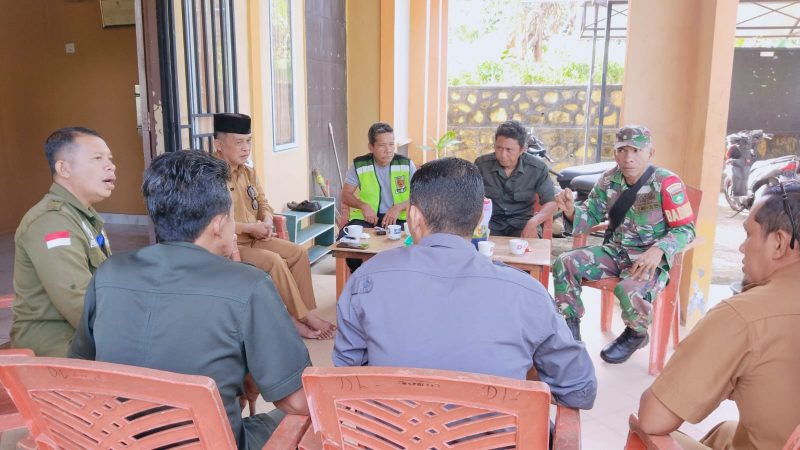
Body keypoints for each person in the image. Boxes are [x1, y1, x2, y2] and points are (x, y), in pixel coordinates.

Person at [69, 150, 311, 450]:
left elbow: (80, 364)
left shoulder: (109, 273)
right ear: (218, 224)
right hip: (212, 443)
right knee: (310, 417)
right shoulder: (248, 285)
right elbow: (297, 401)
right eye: (232, 217)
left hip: (120, 440)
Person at [334, 157, 596, 410]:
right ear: (481, 217)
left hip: (390, 432)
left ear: (413, 216)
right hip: (495, 435)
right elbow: (580, 391)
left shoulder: (366, 280)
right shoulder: (527, 293)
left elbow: (343, 380)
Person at [636, 181, 800, 449]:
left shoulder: (744, 315)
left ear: (779, 243)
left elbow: (653, 418)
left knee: (650, 432)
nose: (742, 248)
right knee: (726, 432)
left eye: (749, 234)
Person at [553, 125, 695, 364]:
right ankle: (570, 329)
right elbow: (590, 215)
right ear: (615, 153)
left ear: (650, 153)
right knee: (564, 262)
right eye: (622, 150)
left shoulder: (666, 182)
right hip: (615, 252)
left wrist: (659, 250)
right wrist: (570, 211)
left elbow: (686, 230)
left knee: (628, 289)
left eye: (636, 150)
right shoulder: (609, 180)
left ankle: (636, 333)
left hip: (648, 259)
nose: (629, 157)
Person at [213, 112, 335, 339]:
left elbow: (263, 203)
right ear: (219, 145)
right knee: (274, 261)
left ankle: (301, 313)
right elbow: (216, 220)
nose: (246, 148)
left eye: (248, 141)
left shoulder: (248, 172)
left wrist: (267, 220)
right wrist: (250, 228)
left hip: (256, 237)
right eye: (238, 142)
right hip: (230, 245)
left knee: (298, 253)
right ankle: (303, 319)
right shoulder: (212, 176)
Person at [11, 127, 115, 357]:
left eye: (110, 159)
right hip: (57, 349)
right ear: (64, 169)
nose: (110, 166)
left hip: (82, 336)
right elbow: (79, 305)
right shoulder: (52, 222)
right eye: (97, 158)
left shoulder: (83, 216)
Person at [339, 122, 416, 272]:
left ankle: (393, 279)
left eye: (391, 144)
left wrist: (399, 207)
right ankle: (359, 277)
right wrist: (363, 206)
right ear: (371, 147)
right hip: (367, 219)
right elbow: (345, 195)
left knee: (404, 250)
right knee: (349, 246)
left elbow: (420, 195)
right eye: (382, 145)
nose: (388, 150)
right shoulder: (360, 165)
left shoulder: (406, 164)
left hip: (399, 219)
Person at [475, 120, 557, 238]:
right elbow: (470, 198)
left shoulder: (537, 168)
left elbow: (551, 202)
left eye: (509, 150)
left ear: (522, 150)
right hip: (490, 224)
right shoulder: (481, 165)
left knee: (529, 246)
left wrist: (534, 222)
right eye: (499, 148)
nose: (503, 155)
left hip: (522, 224)